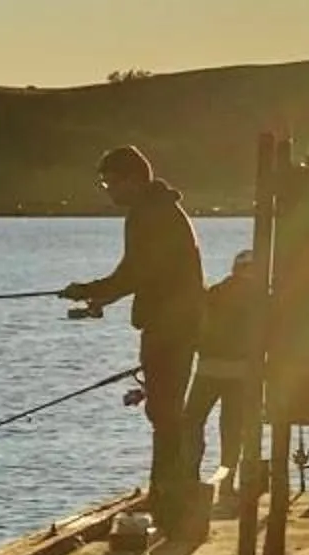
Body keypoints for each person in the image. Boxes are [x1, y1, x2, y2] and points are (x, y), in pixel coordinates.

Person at [61, 146, 207, 530]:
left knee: (164, 413)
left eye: (110, 182)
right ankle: (168, 493)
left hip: (170, 327)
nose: (107, 190)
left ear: (132, 178)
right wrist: (102, 298)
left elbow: (136, 273)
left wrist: (88, 288)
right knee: (164, 411)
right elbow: (145, 272)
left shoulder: (148, 213)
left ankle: (169, 497)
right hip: (177, 323)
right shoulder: (159, 209)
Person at [187, 248, 265, 509]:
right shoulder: (262, 297)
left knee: (193, 423)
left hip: (207, 368)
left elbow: (196, 326)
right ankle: (228, 483)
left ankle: (190, 478)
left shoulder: (214, 293)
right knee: (232, 428)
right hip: (241, 373)